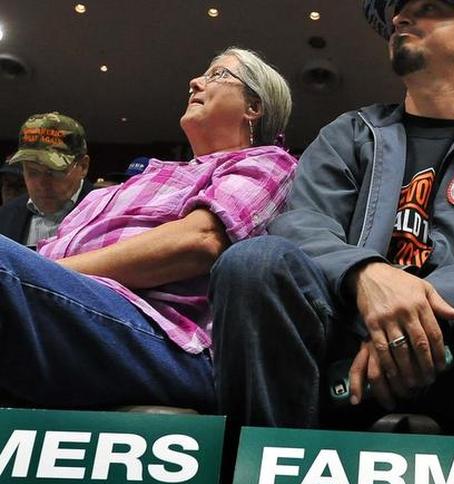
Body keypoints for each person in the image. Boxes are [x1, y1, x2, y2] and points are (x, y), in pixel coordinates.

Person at [209, 0, 454, 435]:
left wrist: (407, 305)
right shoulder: (351, 132)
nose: (400, 19)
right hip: (347, 347)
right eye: (399, 14)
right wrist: (368, 277)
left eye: (428, 7)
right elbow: (303, 223)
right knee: (254, 261)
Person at [0, 47, 296, 410]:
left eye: (218, 74)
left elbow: (200, 241)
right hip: (77, 312)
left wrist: (37, 278)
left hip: (162, 336)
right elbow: (48, 253)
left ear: (254, 107)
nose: (195, 82)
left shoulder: (268, 163)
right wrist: (37, 278)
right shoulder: (128, 184)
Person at [0, 113, 95, 246]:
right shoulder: (5, 215)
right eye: (32, 172)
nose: (42, 184)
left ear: (83, 166)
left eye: (54, 172)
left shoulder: (109, 211)